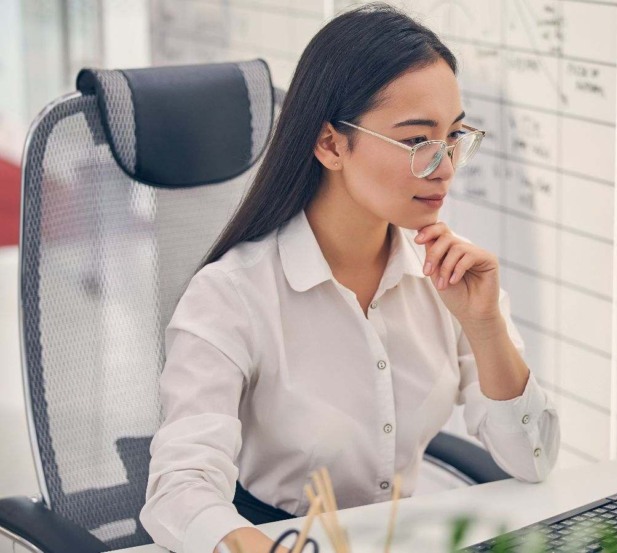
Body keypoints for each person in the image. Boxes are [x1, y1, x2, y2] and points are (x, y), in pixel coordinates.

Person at [138, 4, 560, 552]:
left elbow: (532, 461)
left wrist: (485, 327)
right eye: (416, 142)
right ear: (331, 144)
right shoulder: (232, 296)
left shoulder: (448, 279)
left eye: (454, 135)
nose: (446, 166)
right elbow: (178, 488)